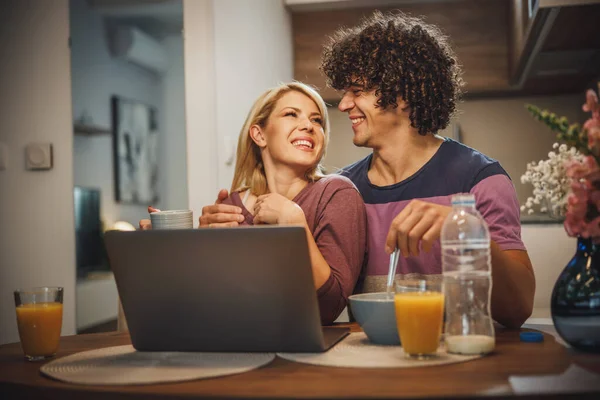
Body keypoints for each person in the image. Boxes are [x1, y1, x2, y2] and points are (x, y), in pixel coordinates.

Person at [200, 12, 535, 329]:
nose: (343, 105)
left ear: (402, 92)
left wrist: (462, 227)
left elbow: (518, 308)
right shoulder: (344, 190)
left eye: (357, 91)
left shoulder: (480, 179)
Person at [142, 82, 368, 325]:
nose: (308, 126)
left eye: (317, 121)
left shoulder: (337, 193)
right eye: (291, 114)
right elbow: (208, 301)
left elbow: (330, 306)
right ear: (259, 135)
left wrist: (294, 221)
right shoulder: (230, 205)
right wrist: (172, 253)